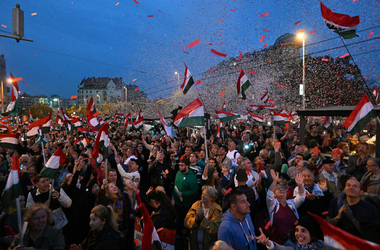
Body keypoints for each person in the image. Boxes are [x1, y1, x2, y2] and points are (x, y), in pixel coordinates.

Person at [327, 177, 379, 242]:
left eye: (355, 186)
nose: (351, 188)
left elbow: (370, 235)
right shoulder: (335, 202)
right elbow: (327, 225)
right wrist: (338, 217)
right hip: (337, 242)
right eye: (348, 185)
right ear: (345, 188)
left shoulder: (370, 210)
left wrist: (352, 219)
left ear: (361, 192)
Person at [255, 215, 338, 250]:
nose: (299, 234)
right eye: (296, 230)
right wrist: (269, 243)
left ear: (311, 233)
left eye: (303, 231)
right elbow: (283, 249)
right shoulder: (293, 245)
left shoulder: (321, 245)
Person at [267, 169, 305, 245]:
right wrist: (274, 181)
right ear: (274, 195)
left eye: (283, 189)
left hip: (295, 240)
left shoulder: (292, 204)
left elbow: (301, 197)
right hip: (279, 241)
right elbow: (269, 194)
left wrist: (300, 185)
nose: (281, 189)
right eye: (278, 189)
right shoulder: (273, 205)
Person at [184, 186, 223, 250]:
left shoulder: (216, 210)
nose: (202, 196)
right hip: (194, 243)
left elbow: (215, 229)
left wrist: (202, 218)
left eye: (205, 195)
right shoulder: (196, 205)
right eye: (202, 194)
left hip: (209, 245)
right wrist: (196, 220)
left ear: (212, 198)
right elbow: (186, 222)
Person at [173, 158, 198, 242]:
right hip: (177, 203)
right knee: (179, 220)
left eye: (181, 165)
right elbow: (175, 186)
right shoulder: (178, 173)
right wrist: (173, 197)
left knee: (186, 221)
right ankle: (178, 234)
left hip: (187, 204)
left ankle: (186, 235)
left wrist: (183, 194)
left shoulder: (192, 177)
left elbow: (194, 191)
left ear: (187, 166)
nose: (179, 167)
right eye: (179, 165)